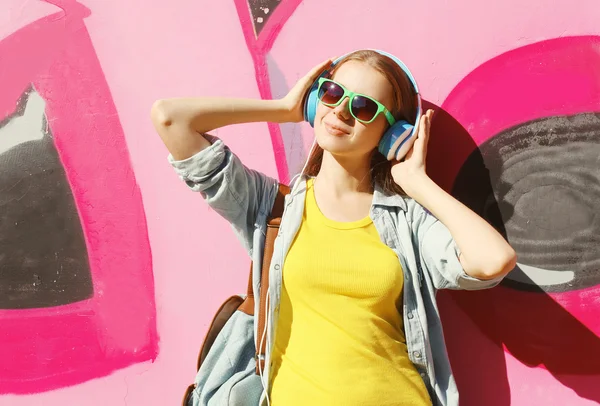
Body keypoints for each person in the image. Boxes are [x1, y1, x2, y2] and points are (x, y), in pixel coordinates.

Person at [151, 50, 517, 406]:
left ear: (393, 134)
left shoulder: (406, 222)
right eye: (332, 92)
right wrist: (282, 110)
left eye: (363, 107)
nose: (341, 110)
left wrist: (416, 182)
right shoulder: (271, 208)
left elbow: (492, 260)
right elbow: (170, 119)